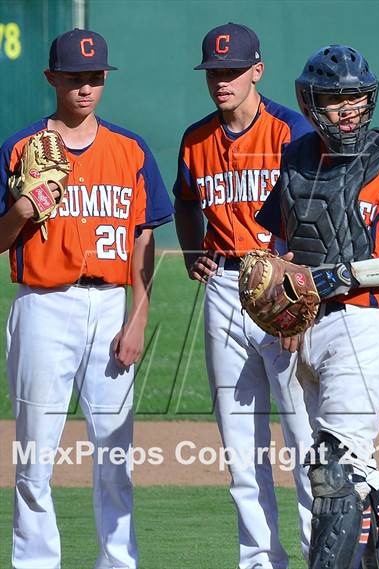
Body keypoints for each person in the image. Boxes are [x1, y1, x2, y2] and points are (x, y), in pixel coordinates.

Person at [0, 28, 173, 569]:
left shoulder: (130, 149)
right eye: (74, 78)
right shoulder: (20, 147)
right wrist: (22, 212)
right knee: (34, 456)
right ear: (52, 78)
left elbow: (146, 236)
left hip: (110, 307)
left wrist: (139, 318)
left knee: (115, 457)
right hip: (42, 306)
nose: (85, 88)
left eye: (95, 78)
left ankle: (117, 562)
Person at [257, 44, 379, 569]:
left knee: (333, 466)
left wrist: (342, 275)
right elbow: (283, 243)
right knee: (353, 471)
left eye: (355, 97)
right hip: (307, 331)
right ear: (310, 104)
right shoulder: (296, 160)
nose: (347, 109)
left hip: (365, 325)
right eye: (333, 99)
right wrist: (282, 299)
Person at [174, 23, 314, 569]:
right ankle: (259, 560)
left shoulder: (291, 130)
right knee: (240, 444)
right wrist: (193, 252)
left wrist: (298, 282)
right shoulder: (195, 138)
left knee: (303, 435)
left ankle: (319, 554)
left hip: (282, 290)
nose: (222, 80)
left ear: (257, 70)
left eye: (231, 71)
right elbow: (187, 201)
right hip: (224, 289)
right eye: (214, 71)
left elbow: (314, 208)